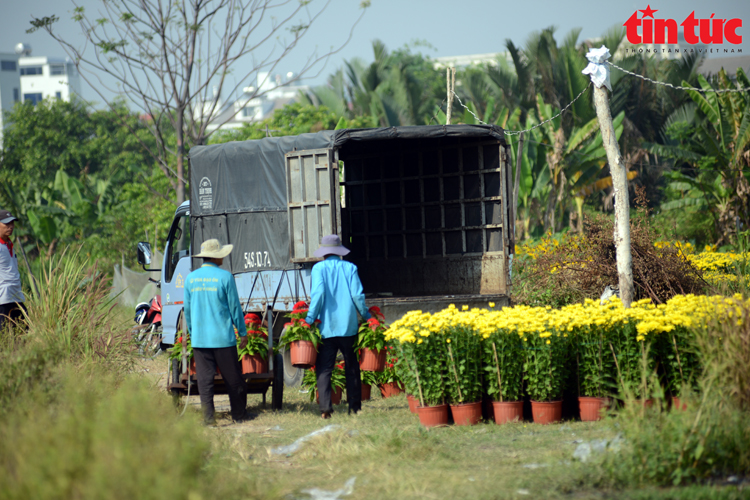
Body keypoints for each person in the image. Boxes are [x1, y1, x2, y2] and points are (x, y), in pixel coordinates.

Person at [184, 238, 251, 425]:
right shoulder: (225, 277)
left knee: (205, 382)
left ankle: (208, 420)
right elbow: (235, 308)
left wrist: (192, 333)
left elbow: (187, 311)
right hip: (223, 339)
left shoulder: (191, 279)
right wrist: (243, 332)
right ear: (217, 257)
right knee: (234, 380)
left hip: (200, 340)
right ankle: (239, 415)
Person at [305, 234, 371, 419]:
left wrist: (309, 319)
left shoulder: (318, 269)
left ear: (324, 252)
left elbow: (317, 295)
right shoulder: (350, 268)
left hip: (326, 328)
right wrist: (367, 316)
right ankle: (354, 408)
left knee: (325, 368)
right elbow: (357, 296)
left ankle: (325, 409)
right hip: (348, 327)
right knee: (352, 367)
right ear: (339, 251)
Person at [0, 210, 26, 333]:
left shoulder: (9, 244)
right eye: (6, 224)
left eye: (12, 223)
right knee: (4, 334)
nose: (10, 227)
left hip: (16, 295)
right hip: (3, 298)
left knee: (24, 331)